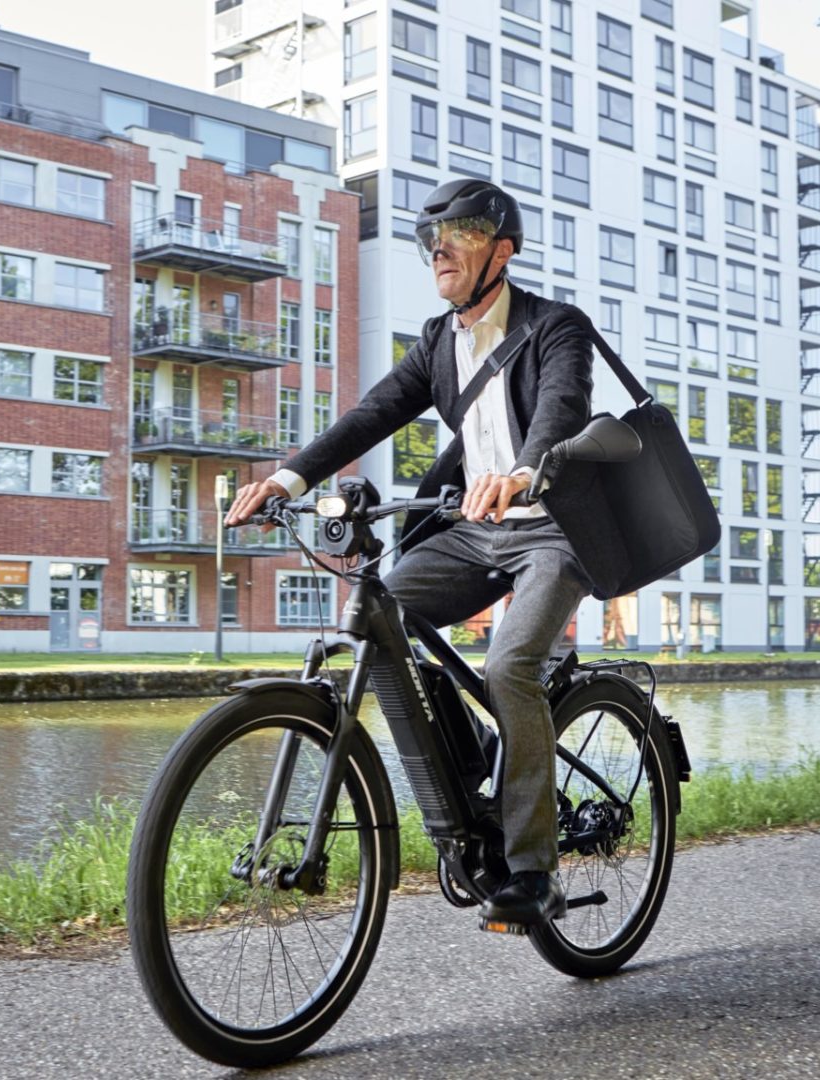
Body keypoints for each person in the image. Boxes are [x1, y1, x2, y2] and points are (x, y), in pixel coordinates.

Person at [225, 178, 599, 927]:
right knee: (383, 621)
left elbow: (560, 409)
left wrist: (526, 471)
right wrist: (289, 476)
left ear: (502, 251)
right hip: (472, 528)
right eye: (431, 240)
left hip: (553, 527)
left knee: (509, 664)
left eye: (457, 235)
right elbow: (373, 414)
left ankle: (533, 870)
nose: (439, 252)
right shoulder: (439, 342)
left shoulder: (557, 327)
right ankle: (477, 769)